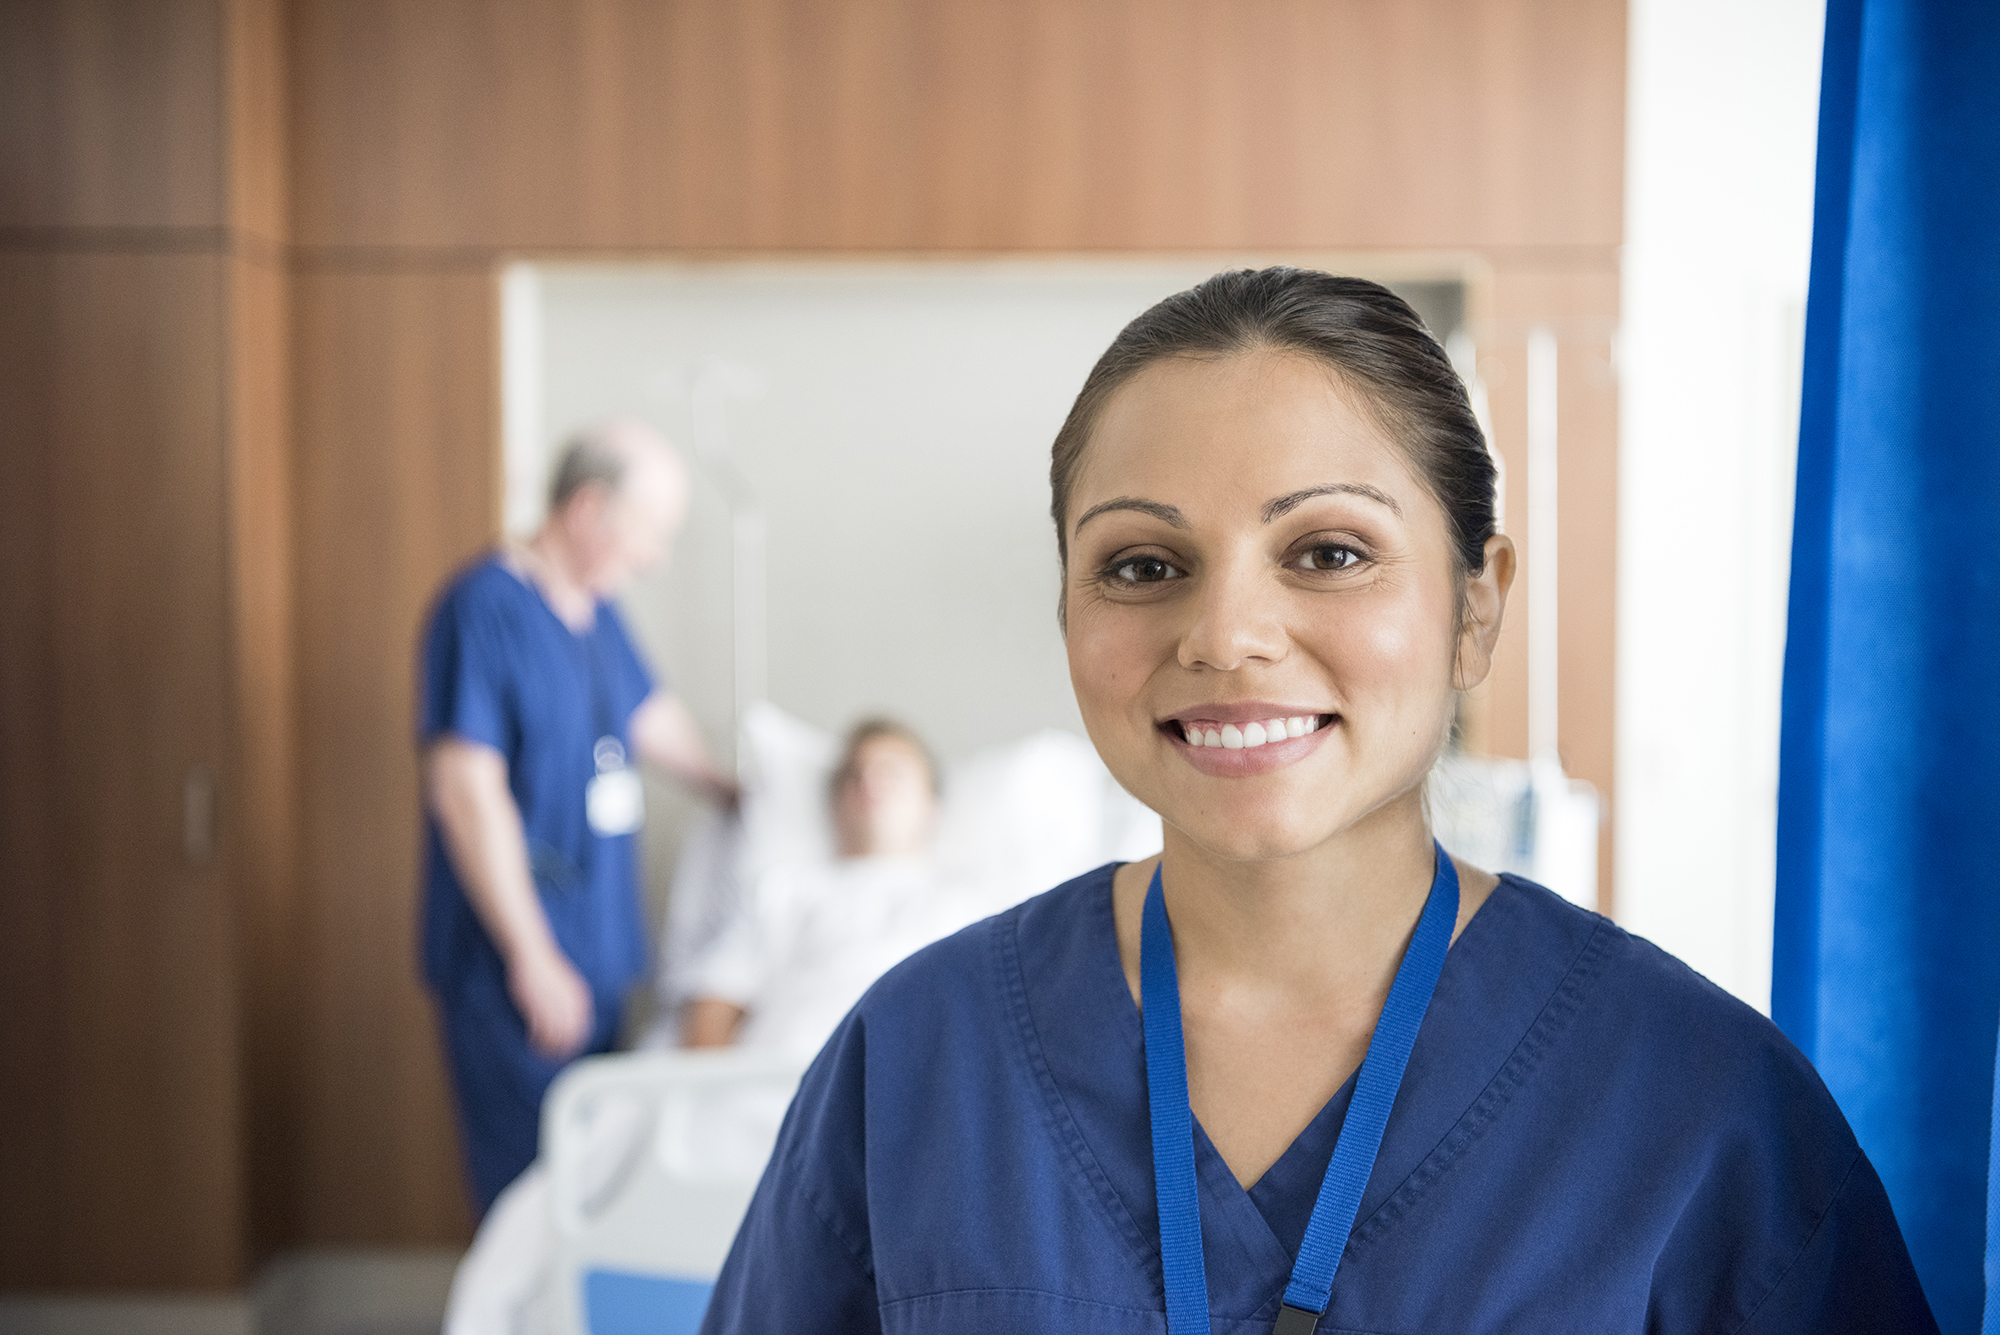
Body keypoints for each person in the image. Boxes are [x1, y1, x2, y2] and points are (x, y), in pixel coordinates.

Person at [701, 270, 1936, 1332]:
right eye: (1142, 565)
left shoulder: (1697, 1108)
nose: (1225, 634)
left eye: (1329, 552)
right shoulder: (917, 1064)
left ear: (1474, 605)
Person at [420, 419, 736, 1215]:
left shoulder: (596, 611)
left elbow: (646, 714)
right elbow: (465, 789)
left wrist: (730, 788)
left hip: (596, 947)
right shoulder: (483, 608)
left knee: (589, 1194)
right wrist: (531, 954)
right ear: (589, 509)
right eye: (649, 532)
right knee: (531, 1202)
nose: (655, 558)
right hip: (519, 959)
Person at [680, 719, 987, 1058]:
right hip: (777, 1078)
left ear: (932, 808)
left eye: (891, 772)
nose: (870, 782)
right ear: (835, 804)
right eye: (854, 776)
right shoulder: (780, 892)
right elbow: (713, 1009)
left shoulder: (967, 909)